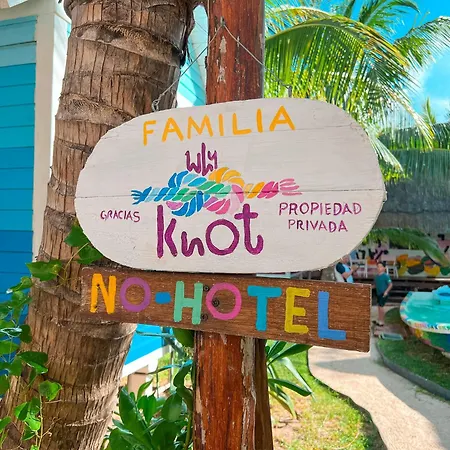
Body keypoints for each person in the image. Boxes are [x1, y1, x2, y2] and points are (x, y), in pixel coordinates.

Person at [374, 261, 393, 326]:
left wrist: (386, 291)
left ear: (384, 268)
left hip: (384, 294)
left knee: (381, 306)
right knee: (379, 306)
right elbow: (376, 285)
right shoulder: (376, 276)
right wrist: (371, 287)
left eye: (381, 266)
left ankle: (382, 321)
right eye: (378, 266)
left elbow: (390, 284)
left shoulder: (386, 276)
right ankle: (379, 319)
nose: (379, 268)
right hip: (378, 293)